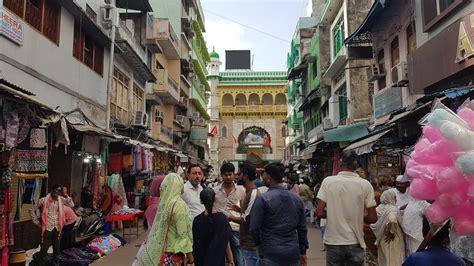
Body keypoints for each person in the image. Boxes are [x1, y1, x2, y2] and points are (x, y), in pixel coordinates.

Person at [316, 150, 377, 266]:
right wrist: (357, 216)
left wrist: (335, 213)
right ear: (356, 165)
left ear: (340, 163)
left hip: (333, 241)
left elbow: (319, 212)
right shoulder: (365, 185)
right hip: (355, 241)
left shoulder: (328, 182)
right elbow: (373, 218)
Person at [250, 163, 308, 266]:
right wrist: (303, 252)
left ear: (269, 177)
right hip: (292, 252)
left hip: (270, 251)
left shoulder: (263, 199)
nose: (262, 177)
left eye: (264, 175)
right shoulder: (296, 199)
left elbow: (254, 228)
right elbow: (302, 228)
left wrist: (258, 244)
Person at [139, 173, 195, 266]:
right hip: (173, 255)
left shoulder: (164, 204)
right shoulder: (179, 205)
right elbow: (183, 236)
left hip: (161, 253)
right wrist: (191, 259)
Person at [29, 185, 75, 265]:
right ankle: (39, 264)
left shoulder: (61, 200)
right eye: (56, 191)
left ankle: (55, 264)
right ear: (51, 191)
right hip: (47, 228)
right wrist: (37, 223)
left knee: (56, 251)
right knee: (44, 250)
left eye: (59, 191)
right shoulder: (43, 200)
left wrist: (66, 195)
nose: (57, 193)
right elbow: (32, 210)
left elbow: (71, 205)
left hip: (58, 228)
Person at [228, 163, 261, 266]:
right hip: (247, 243)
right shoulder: (248, 192)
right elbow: (248, 213)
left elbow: (246, 219)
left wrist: (229, 217)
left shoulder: (253, 193)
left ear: (245, 176)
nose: (237, 176)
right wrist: (239, 209)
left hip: (250, 244)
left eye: (239, 174)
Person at [213, 162, 245, 266]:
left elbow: (245, 211)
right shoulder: (215, 191)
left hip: (235, 228)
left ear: (234, 175)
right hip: (219, 229)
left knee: (238, 258)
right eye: (225, 175)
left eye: (230, 174)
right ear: (221, 175)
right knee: (220, 257)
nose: (228, 177)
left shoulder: (241, 191)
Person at [193, 188, 234, 266]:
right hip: (218, 261)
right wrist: (230, 260)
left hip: (201, 260)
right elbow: (226, 242)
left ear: (201, 201)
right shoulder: (222, 219)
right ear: (215, 199)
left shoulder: (197, 220)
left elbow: (195, 243)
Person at [370, 190, 405, 266]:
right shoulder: (392, 209)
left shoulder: (378, 208)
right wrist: (391, 231)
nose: (396, 199)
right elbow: (392, 219)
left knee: (384, 259)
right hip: (393, 238)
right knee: (394, 259)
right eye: (395, 197)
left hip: (382, 238)